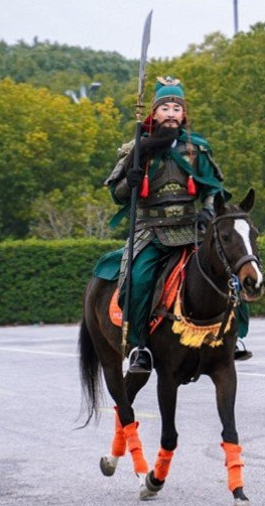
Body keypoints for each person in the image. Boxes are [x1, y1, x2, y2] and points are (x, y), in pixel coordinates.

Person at [102, 76, 247, 374]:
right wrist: (129, 182)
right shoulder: (136, 149)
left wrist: (208, 210)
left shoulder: (196, 149)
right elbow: (117, 194)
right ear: (154, 114)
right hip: (150, 231)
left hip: (191, 229)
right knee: (137, 280)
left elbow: (214, 189)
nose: (170, 113)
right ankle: (139, 347)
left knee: (233, 270)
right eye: (165, 108)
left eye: (176, 108)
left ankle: (234, 337)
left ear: (183, 115)